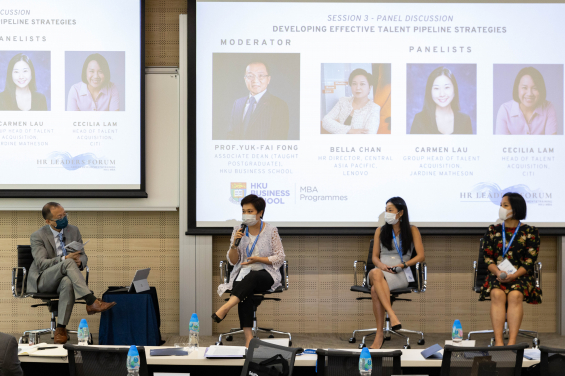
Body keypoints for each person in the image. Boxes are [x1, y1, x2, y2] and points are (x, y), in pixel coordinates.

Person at [27, 202, 117, 344]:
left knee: (68, 282)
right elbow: (41, 264)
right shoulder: (38, 236)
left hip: (65, 279)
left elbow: (83, 255)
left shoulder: (73, 231)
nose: (64, 218)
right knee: (67, 262)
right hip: (44, 279)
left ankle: (61, 328)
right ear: (48, 221)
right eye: (59, 217)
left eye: (65, 214)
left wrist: (81, 262)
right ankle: (91, 301)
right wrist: (65, 259)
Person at [212, 195, 286, 347]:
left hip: (266, 274)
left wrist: (259, 259)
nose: (246, 214)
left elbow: (280, 257)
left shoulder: (271, 230)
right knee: (245, 290)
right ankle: (249, 338)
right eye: (244, 211)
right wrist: (234, 245)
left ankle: (225, 307)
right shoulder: (238, 230)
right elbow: (233, 261)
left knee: (251, 279)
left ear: (260, 212)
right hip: (244, 272)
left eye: (250, 211)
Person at [479, 192, 542, 346]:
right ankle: (499, 342)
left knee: (514, 295)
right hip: (497, 274)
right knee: (497, 294)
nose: (501, 208)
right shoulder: (493, 230)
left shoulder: (530, 232)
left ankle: (512, 342)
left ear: (516, 208)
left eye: (505, 205)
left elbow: (529, 261)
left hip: (520, 276)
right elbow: (487, 258)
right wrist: (498, 273)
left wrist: (513, 276)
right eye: (501, 205)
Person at [367, 197, 425, 349]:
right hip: (381, 270)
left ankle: (379, 335)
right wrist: (381, 265)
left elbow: (420, 256)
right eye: (386, 210)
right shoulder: (380, 231)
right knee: (375, 273)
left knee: (375, 290)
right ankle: (392, 315)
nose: (387, 213)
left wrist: (404, 264)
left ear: (400, 213)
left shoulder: (412, 230)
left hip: (401, 271)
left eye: (390, 210)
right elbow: (374, 257)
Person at [226, 61, 289, 140]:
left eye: (261, 75)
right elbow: (231, 135)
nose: (255, 80)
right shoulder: (238, 103)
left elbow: (278, 138)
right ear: (245, 79)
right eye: (250, 76)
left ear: (268, 79)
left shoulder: (278, 105)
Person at [410, 66, 473, 134]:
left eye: (446, 87)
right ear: (430, 92)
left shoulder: (464, 120)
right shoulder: (420, 120)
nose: (442, 94)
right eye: (436, 88)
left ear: (454, 90)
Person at [495, 67, 557, 135]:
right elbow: (502, 144)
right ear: (517, 89)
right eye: (524, 88)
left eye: (535, 88)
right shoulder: (505, 110)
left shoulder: (548, 108)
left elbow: (552, 143)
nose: (529, 93)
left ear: (541, 90)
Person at [322, 68, 381, 134]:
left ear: (369, 87)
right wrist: (349, 130)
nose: (358, 88)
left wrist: (336, 127)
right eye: (354, 84)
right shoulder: (343, 101)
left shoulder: (374, 108)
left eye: (362, 84)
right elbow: (325, 121)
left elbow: (369, 134)